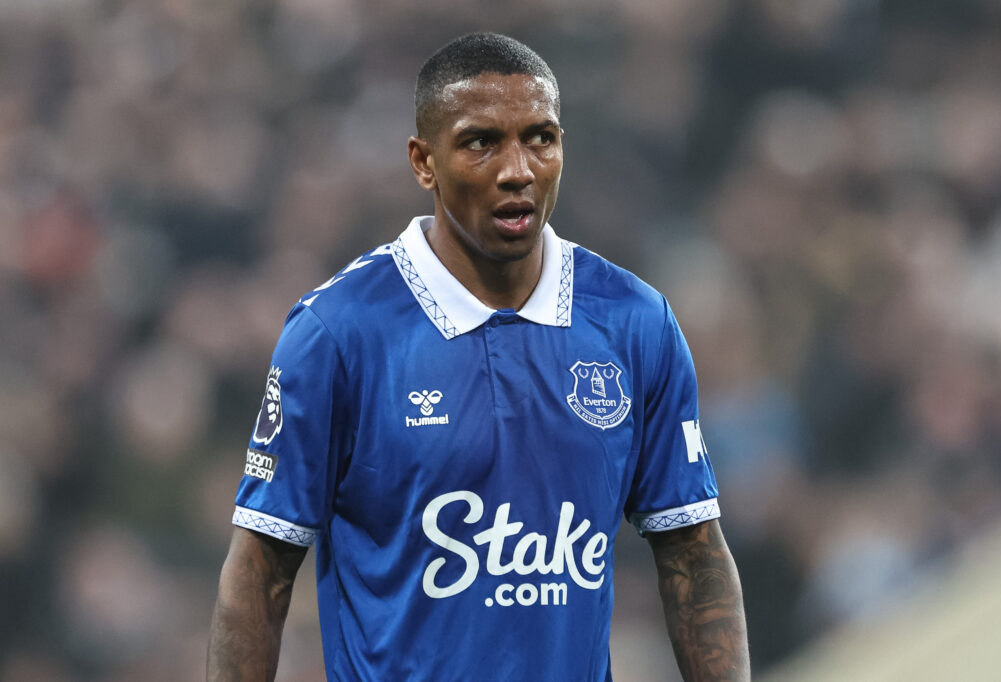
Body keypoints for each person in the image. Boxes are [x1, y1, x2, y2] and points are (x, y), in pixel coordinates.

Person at [208, 32, 749, 681]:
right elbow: (260, 573)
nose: (517, 168)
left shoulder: (634, 322)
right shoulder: (338, 333)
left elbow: (692, 554)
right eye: (481, 141)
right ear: (423, 161)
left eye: (540, 138)